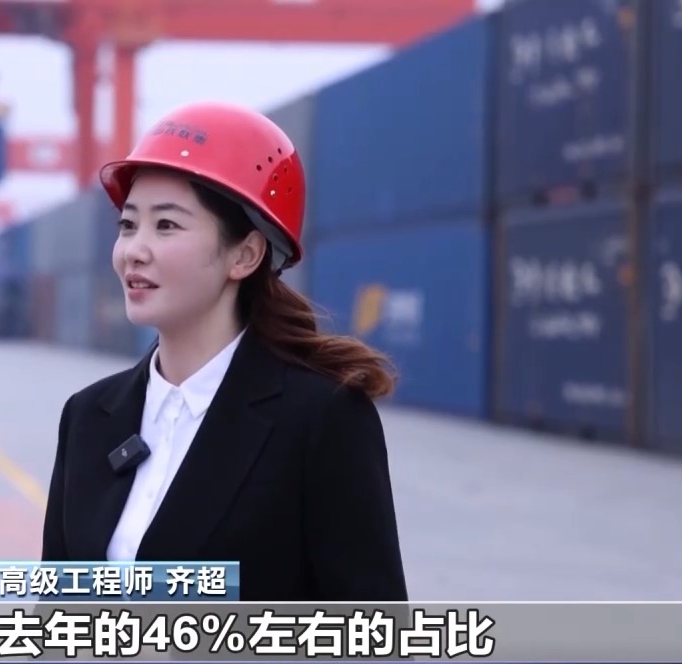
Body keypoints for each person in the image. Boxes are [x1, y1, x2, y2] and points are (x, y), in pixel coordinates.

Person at [41, 101, 408, 602]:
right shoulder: (88, 416)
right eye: (128, 225)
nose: (134, 251)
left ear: (245, 255)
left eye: (166, 226)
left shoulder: (322, 420)